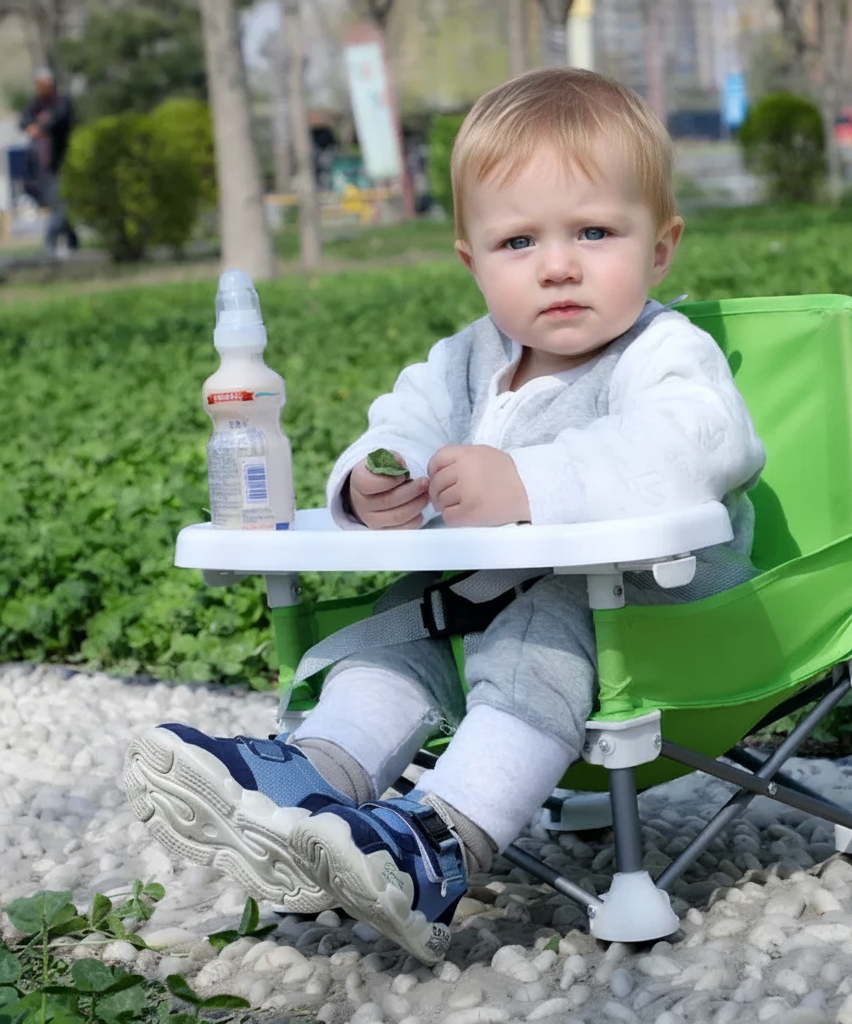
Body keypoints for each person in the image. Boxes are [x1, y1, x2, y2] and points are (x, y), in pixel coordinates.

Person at [123, 67, 766, 964]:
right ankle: (310, 784)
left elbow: (695, 447)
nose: (558, 265)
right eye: (518, 242)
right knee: (397, 630)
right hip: (479, 605)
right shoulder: (466, 360)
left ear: (660, 249)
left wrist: (528, 482)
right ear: (473, 262)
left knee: (538, 632)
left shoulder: (665, 355)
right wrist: (371, 483)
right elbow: (401, 426)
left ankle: (435, 845)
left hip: (649, 619)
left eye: (594, 232)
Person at [19, 67, 78, 258]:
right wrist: (33, 126)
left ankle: (50, 241)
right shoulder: (36, 104)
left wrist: (41, 127)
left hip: (60, 161)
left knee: (60, 203)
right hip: (41, 165)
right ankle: (73, 241)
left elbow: (60, 120)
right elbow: (24, 121)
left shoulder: (62, 102)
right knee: (55, 204)